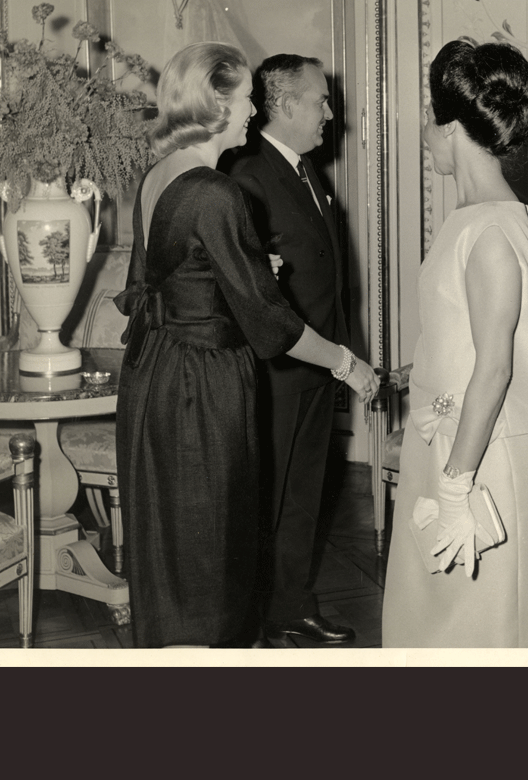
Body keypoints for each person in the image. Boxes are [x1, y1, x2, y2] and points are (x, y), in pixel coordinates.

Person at [114, 42, 378, 649]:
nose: (255, 112)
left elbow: (156, 283)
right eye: (245, 99)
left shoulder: (161, 175)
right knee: (216, 552)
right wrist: (348, 365)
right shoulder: (215, 190)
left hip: (156, 374)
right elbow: (270, 324)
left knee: (176, 550)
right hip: (202, 386)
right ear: (216, 104)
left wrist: (249, 268)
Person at [382, 40, 528, 648]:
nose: (423, 138)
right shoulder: (471, 219)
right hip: (449, 446)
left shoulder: (491, 228)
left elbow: (494, 370)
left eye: (427, 125)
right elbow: (466, 341)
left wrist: (457, 488)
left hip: (480, 462)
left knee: (488, 632)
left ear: (451, 128)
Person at [223, 54, 360, 645]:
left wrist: (340, 354)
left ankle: (291, 606)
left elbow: (324, 272)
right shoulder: (246, 176)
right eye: (320, 100)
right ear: (281, 105)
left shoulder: (307, 171)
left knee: (303, 496)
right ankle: (248, 621)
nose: (330, 112)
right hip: (275, 370)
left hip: (315, 364)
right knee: (265, 501)